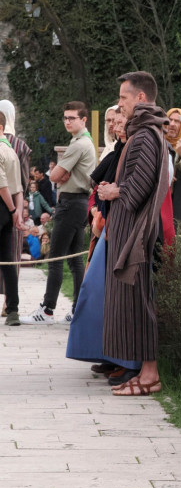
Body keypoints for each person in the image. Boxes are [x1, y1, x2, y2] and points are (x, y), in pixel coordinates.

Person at [100, 71, 170, 396]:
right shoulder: (146, 131)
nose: (119, 104)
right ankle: (144, 372)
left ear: (140, 97)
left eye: (123, 98)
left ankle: (150, 376)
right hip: (131, 230)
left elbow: (138, 188)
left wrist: (113, 191)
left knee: (140, 303)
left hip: (135, 234)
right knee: (133, 302)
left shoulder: (144, 135)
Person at [66, 99, 141, 383]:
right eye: (112, 121)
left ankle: (122, 359)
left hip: (123, 232)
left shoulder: (138, 149)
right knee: (99, 294)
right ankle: (106, 354)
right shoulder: (116, 151)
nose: (115, 126)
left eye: (120, 121)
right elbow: (99, 188)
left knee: (115, 297)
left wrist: (109, 205)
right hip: (107, 228)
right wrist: (97, 212)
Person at [22, 102, 96, 325]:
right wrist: (61, 173)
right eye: (65, 117)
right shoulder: (83, 141)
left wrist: (60, 173)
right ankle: (76, 309)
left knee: (55, 257)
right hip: (78, 203)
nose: (67, 121)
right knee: (74, 259)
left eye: (72, 118)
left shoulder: (79, 144)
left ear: (84, 119)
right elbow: (58, 175)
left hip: (71, 203)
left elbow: (53, 176)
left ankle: (47, 310)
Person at [0, 110, 23, 325]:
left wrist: (13, 209)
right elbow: (19, 188)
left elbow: (2, 186)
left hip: (3, 204)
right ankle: (13, 308)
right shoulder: (11, 152)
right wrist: (16, 212)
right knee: (7, 259)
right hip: (7, 211)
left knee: (7, 259)